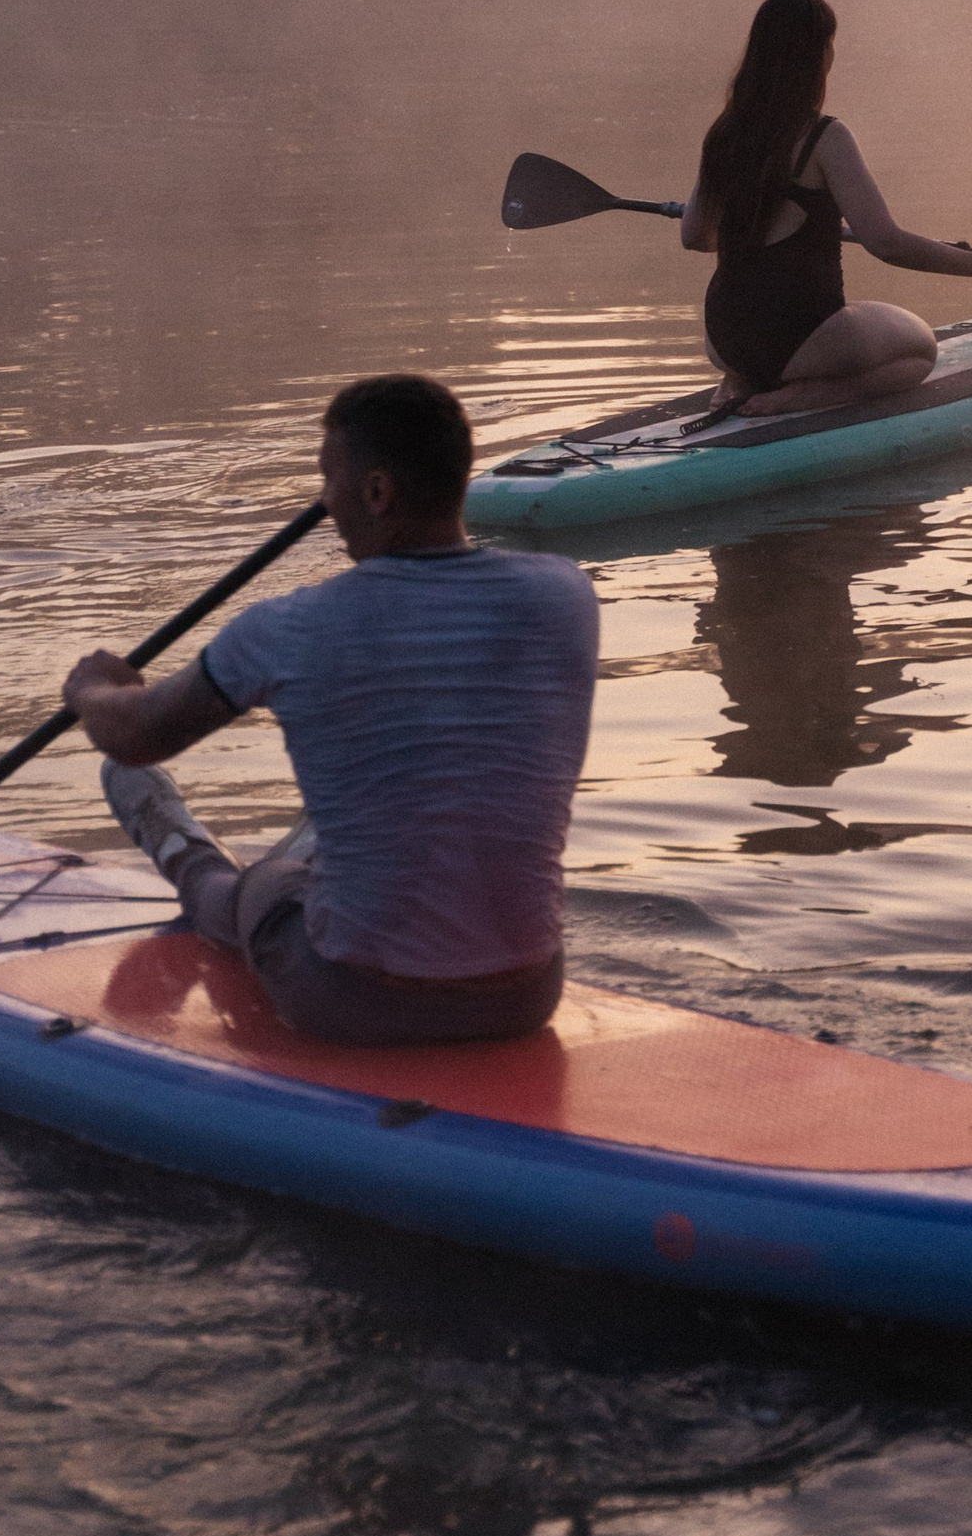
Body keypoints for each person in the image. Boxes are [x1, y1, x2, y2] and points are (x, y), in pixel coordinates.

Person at [63, 373, 599, 1048]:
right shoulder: (566, 597)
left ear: (376, 493)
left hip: (354, 997)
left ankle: (179, 846)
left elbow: (134, 736)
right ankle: (316, 840)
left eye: (329, 479)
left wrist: (93, 689)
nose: (325, 501)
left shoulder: (291, 628)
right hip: (526, 995)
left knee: (259, 886)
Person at [682, 0, 972, 417]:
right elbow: (887, 244)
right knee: (920, 350)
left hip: (724, 339)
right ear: (817, 56)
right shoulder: (825, 137)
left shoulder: (723, 135)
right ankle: (810, 394)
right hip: (802, 335)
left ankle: (743, 378)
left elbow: (695, 236)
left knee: (768, 326)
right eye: (829, 44)